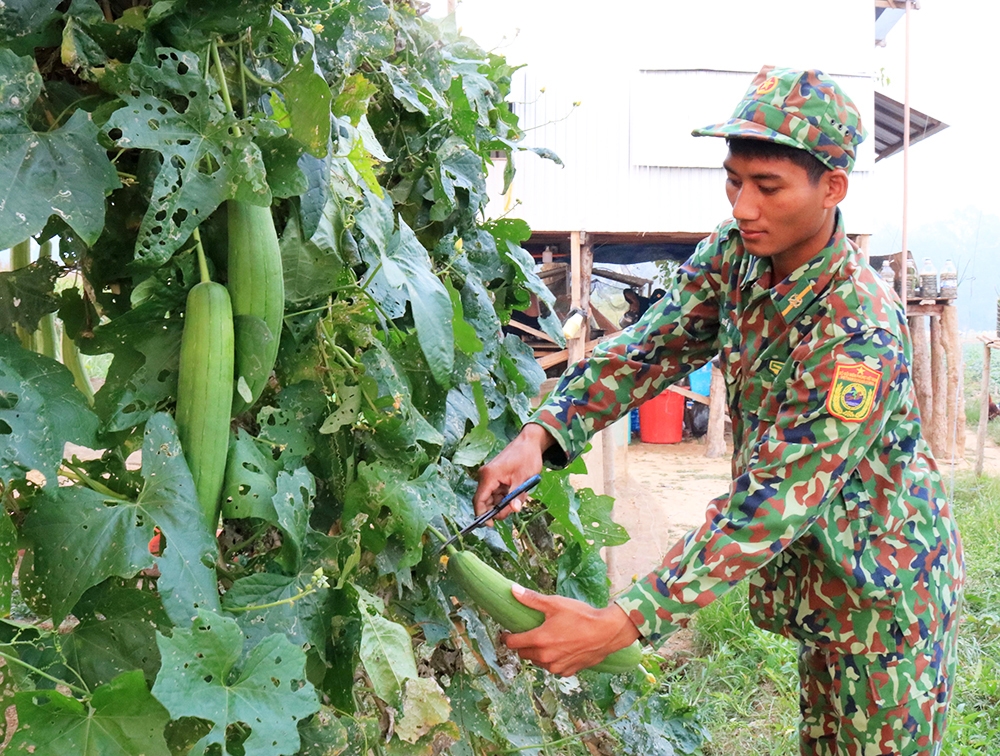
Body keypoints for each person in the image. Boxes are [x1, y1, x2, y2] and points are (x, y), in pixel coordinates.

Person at [473, 66, 964, 756]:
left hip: (884, 596)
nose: (743, 206)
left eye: (767, 187)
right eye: (734, 180)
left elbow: (773, 497)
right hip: (825, 587)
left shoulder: (859, 335)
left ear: (832, 189)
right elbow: (651, 347)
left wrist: (622, 621)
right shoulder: (736, 256)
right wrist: (542, 433)